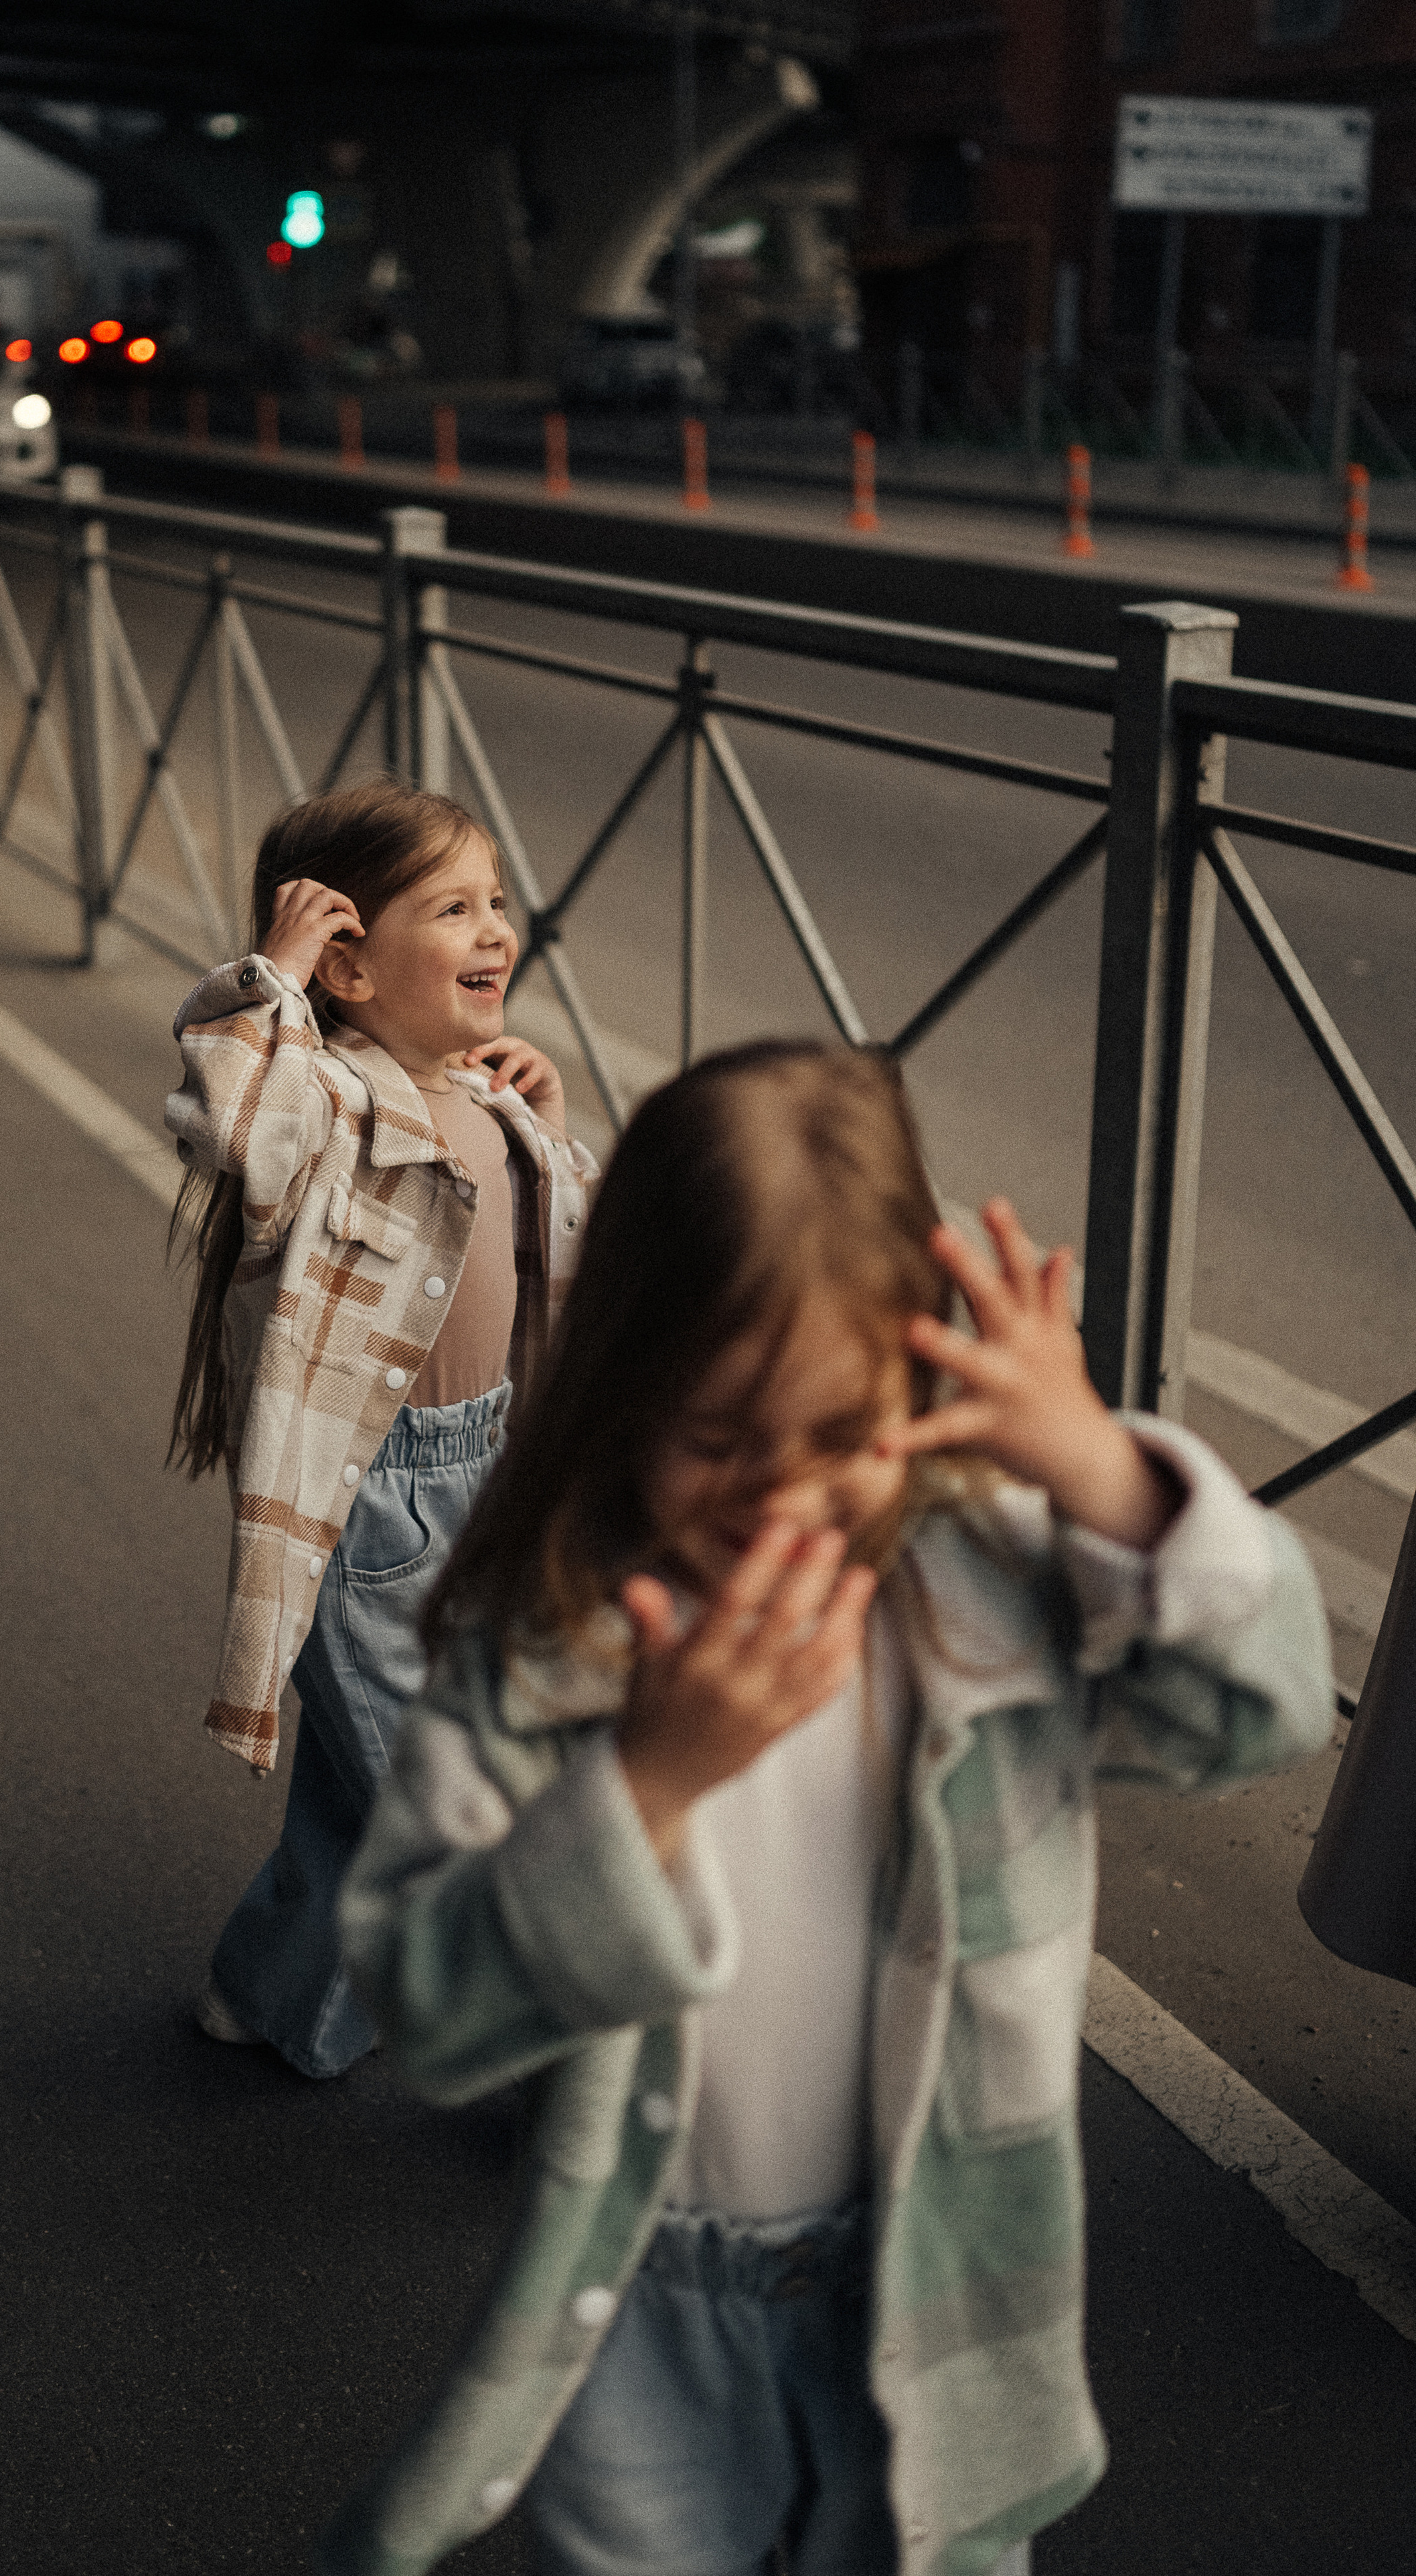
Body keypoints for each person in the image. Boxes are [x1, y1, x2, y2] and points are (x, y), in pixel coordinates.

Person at [327, 1039, 1333, 2576]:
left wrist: (1092, 1467)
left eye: (842, 1437)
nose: (783, 1496)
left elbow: (1253, 1712)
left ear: (918, 1387)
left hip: (940, 2295)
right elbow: (432, 2010)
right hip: (648, 2302)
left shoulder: (995, 1590)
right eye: (718, 1439)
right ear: (621, 1382)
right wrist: (647, 1782)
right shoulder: (549, 1648)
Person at [165, 779, 595, 2080]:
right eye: (451, 909)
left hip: (493, 1482)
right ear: (351, 962)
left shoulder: (483, 1091)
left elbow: (566, 1247)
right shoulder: (327, 1107)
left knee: (372, 1802)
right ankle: (560, 2059)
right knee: (460, 1812)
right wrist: (273, 981)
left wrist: (550, 1125)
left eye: (495, 903)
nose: (492, 932)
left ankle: (267, 1992)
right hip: (376, 1520)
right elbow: (230, 1119)